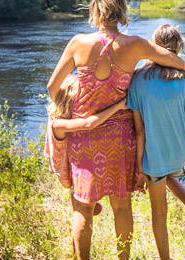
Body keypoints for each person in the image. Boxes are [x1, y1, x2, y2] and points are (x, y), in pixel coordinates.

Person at [47, 0, 185, 260]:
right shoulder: (135, 44)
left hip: (84, 138)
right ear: (122, 9)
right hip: (121, 138)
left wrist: (76, 90)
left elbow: (52, 87)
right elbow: (178, 64)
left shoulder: (78, 43)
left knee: (83, 208)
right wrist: (142, 71)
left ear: (95, 9)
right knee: (121, 207)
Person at [127, 24, 185, 260]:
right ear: (178, 49)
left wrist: (140, 166)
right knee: (166, 174)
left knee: (158, 213)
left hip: (153, 154)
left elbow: (139, 130)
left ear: (154, 46)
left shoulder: (139, 79)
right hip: (178, 153)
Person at [44, 74, 129, 217]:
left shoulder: (56, 119)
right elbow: (89, 124)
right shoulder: (58, 124)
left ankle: (75, 237)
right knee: (84, 210)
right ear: (71, 100)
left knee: (86, 208)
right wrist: (119, 106)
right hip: (67, 168)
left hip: (71, 164)